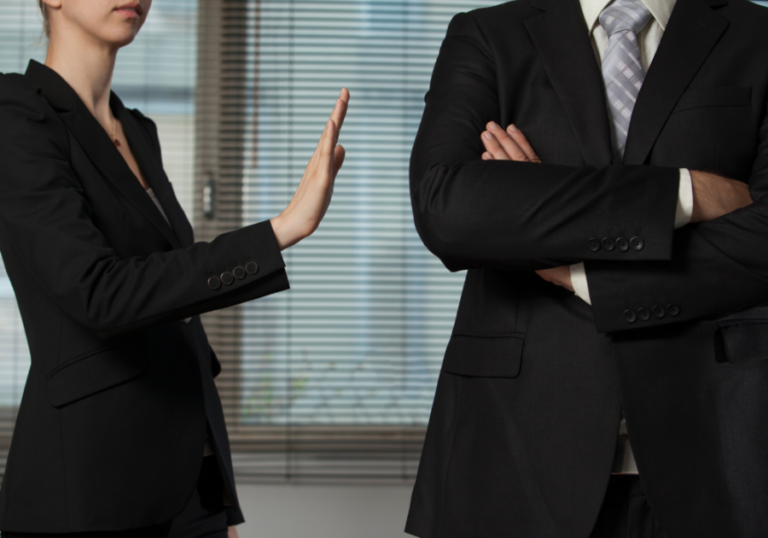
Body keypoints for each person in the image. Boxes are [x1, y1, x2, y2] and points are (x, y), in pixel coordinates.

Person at [406, 0, 768, 535]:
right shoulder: (488, 34)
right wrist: (685, 192)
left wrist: (568, 259)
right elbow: (448, 209)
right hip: (517, 448)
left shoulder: (758, 36)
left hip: (718, 445)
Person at [0, 0, 349, 536]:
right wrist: (280, 230)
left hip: (189, 485)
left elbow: (177, 314)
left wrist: (218, 493)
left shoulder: (137, 130)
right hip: (93, 489)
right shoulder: (17, 115)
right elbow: (99, 294)